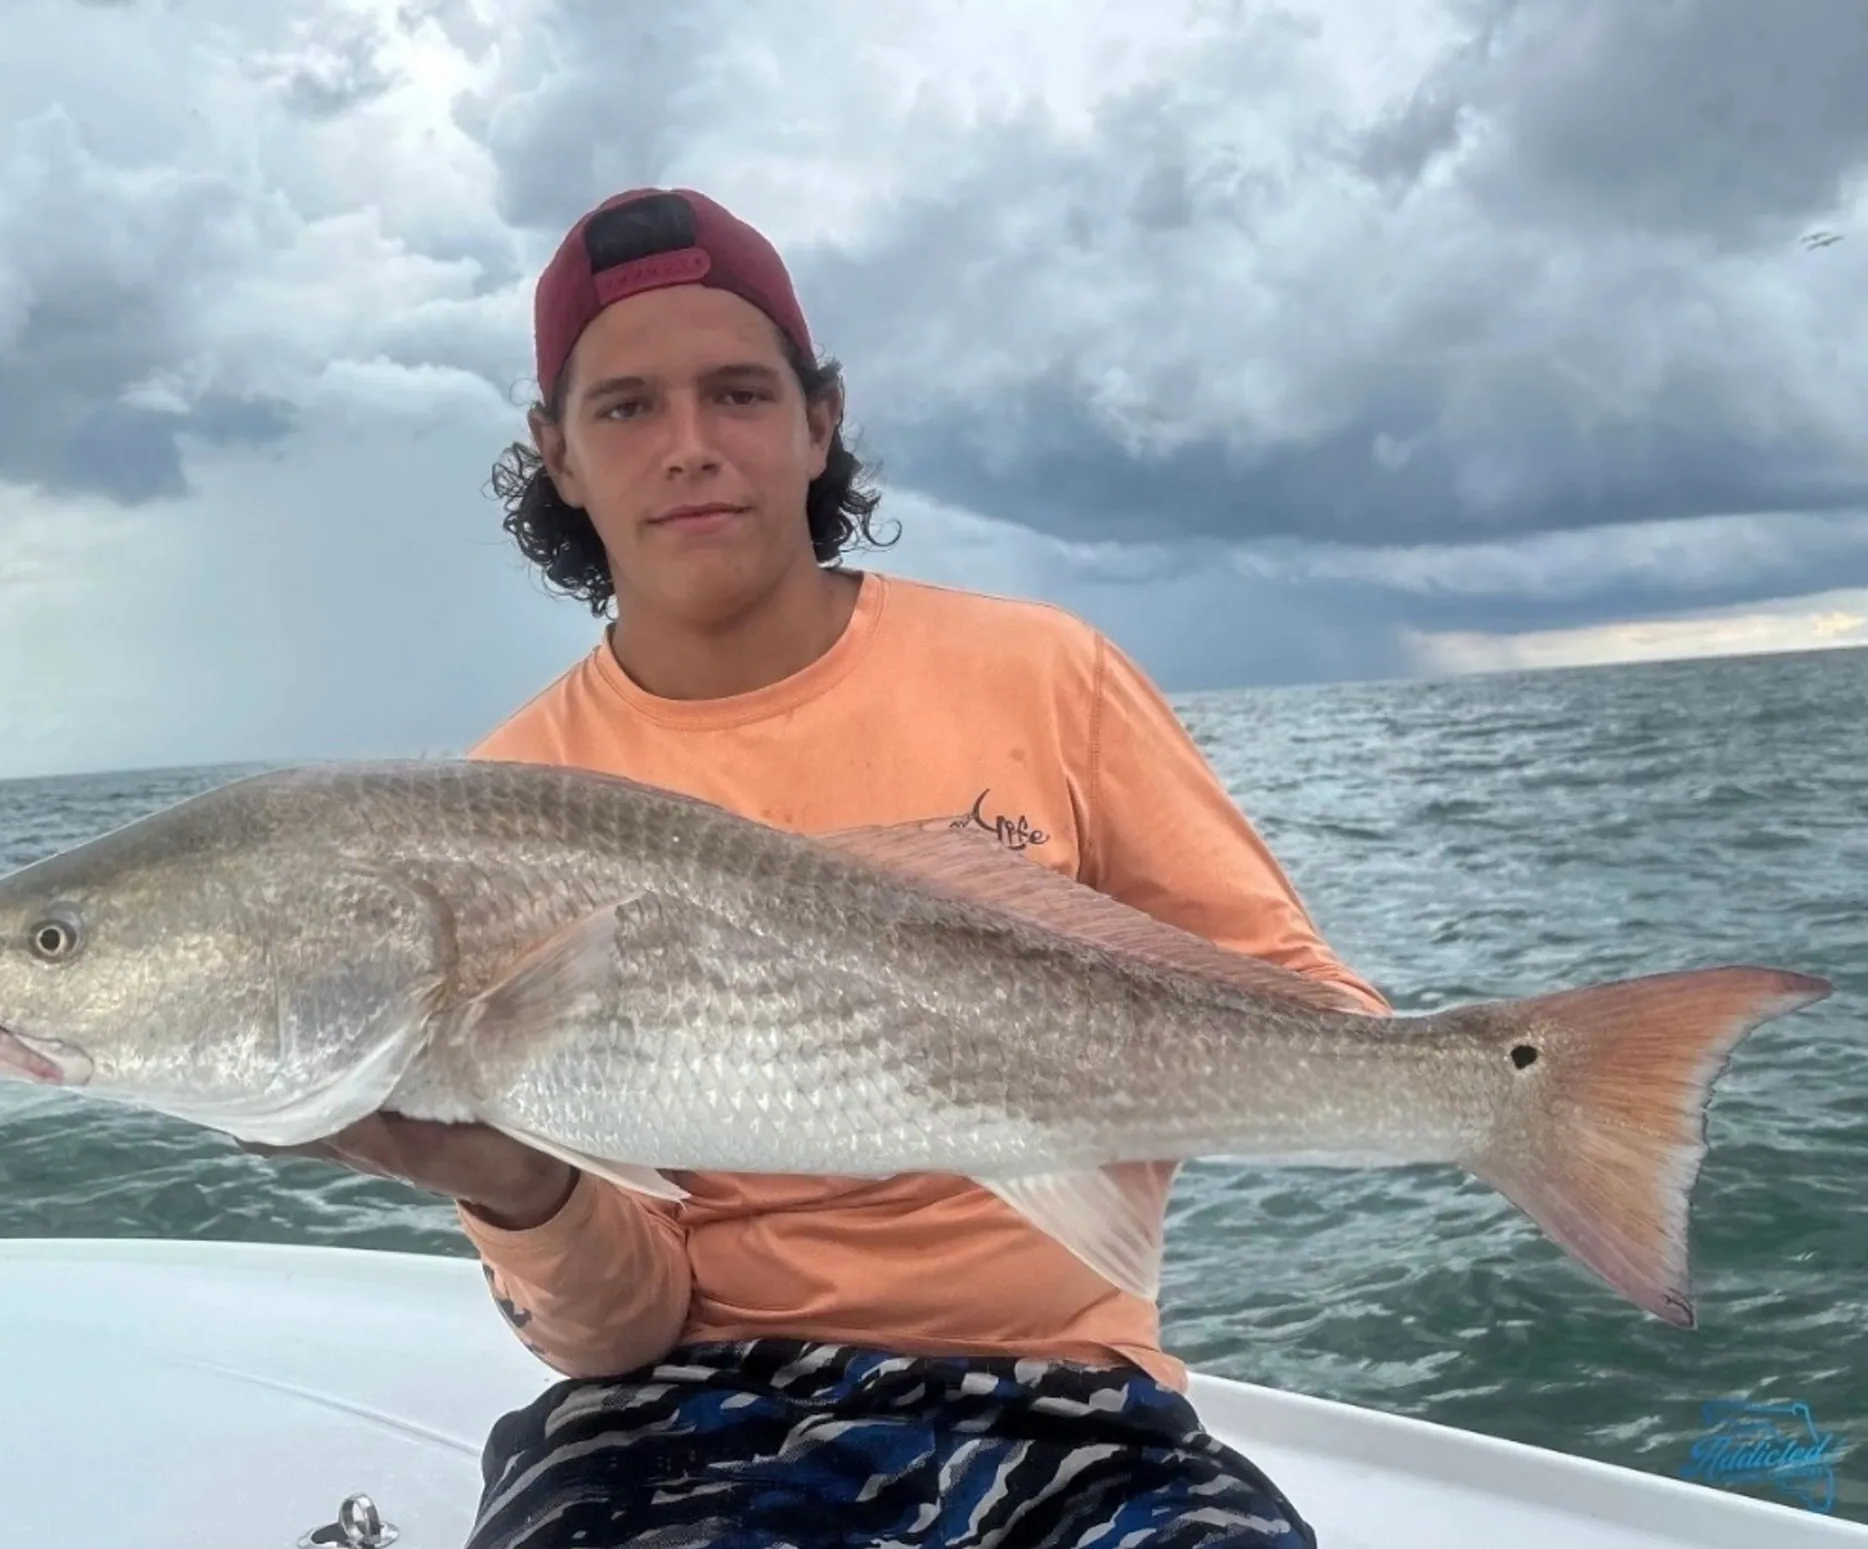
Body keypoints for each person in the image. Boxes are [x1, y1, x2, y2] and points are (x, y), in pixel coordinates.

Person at [271, 186, 1391, 1548]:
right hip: (683, 1407)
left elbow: (1310, 1011)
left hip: (1074, 1400)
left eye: (737, 394)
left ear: (820, 418)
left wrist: (1136, 1076)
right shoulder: (503, 810)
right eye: (625, 408)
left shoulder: (1045, 675)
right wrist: (514, 1183)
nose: (689, 448)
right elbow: (620, 1334)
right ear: (554, 452)